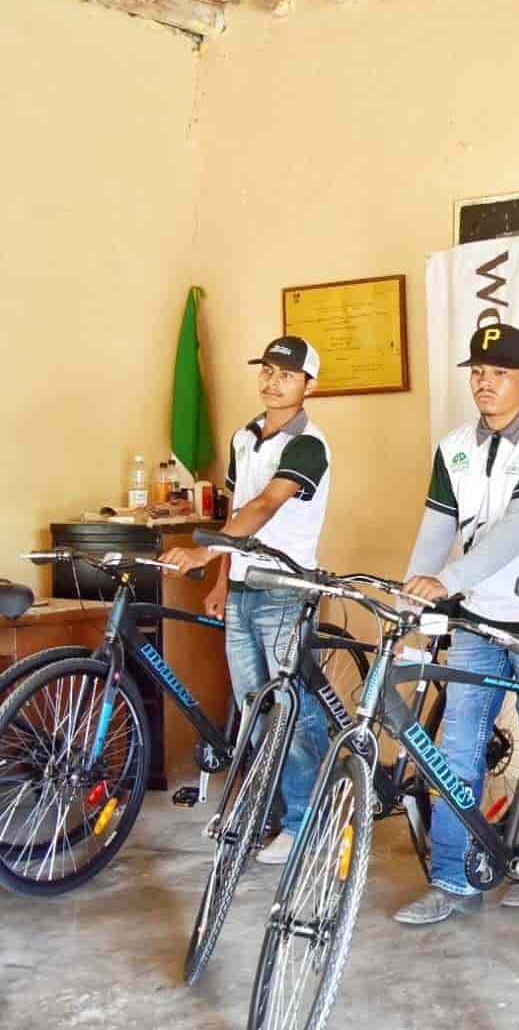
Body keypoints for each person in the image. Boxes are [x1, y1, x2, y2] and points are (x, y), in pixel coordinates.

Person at [392, 322, 519, 925]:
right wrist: (412, 595)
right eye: (477, 372)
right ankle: (452, 876)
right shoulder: (454, 448)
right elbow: (435, 528)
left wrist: (448, 580)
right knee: (455, 746)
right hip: (474, 620)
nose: (485, 383)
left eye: (499, 373)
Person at [162, 335, 334, 866]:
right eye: (266, 370)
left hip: (285, 590)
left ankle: (310, 820)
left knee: (292, 711)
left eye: (286, 374)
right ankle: (273, 811)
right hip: (241, 588)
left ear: (309, 384)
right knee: (253, 706)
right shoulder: (245, 436)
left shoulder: (309, 444)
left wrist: (200, 549)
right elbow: (236, 504)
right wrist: (219, 579)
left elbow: (263, 506)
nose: (272, 380)